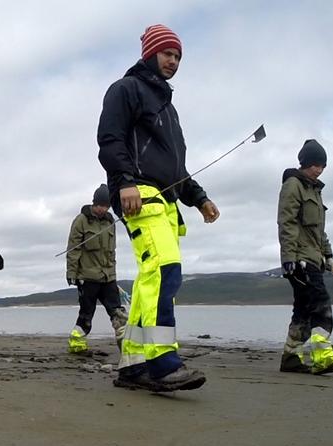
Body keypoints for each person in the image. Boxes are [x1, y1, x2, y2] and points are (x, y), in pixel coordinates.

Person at [97, 24, 220, 392]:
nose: (173, 61)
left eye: (178, 56)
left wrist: (199, 198)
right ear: (151, 53)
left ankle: (134, 365)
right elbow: (109, 139)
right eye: (168, 53)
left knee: (152, 277)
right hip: (139, 194)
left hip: (165, 202)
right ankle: (163, 361)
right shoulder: (125, 89)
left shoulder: (169, 109)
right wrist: (125, 181)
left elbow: (177, 168)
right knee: (165, 270)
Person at [277, 139, 333, 375]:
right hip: (299, 260)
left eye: (322, 166)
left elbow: (318, 230)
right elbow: (286, 222)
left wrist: (327, 254)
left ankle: (290, 357)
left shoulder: (315, 191)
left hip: (313, 258)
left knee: (304, 309)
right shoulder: (293, 185)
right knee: (321, 305)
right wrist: (289, 257)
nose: (318, 170)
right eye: (315, 165)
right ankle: (323, 357)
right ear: (304, 163)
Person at [66, 184, 127, 354]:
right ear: (94, 203)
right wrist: (72, 274)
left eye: (106, 206)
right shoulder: (81, 220)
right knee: (86, 314)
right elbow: (73, 249)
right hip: (87, 277)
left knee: (118, 313)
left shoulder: (110, 221)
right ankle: (77, 344)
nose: (103, 209)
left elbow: (112, 251)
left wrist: (113, 273)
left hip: (108, 277)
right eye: (100, 205)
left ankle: (127, 346)